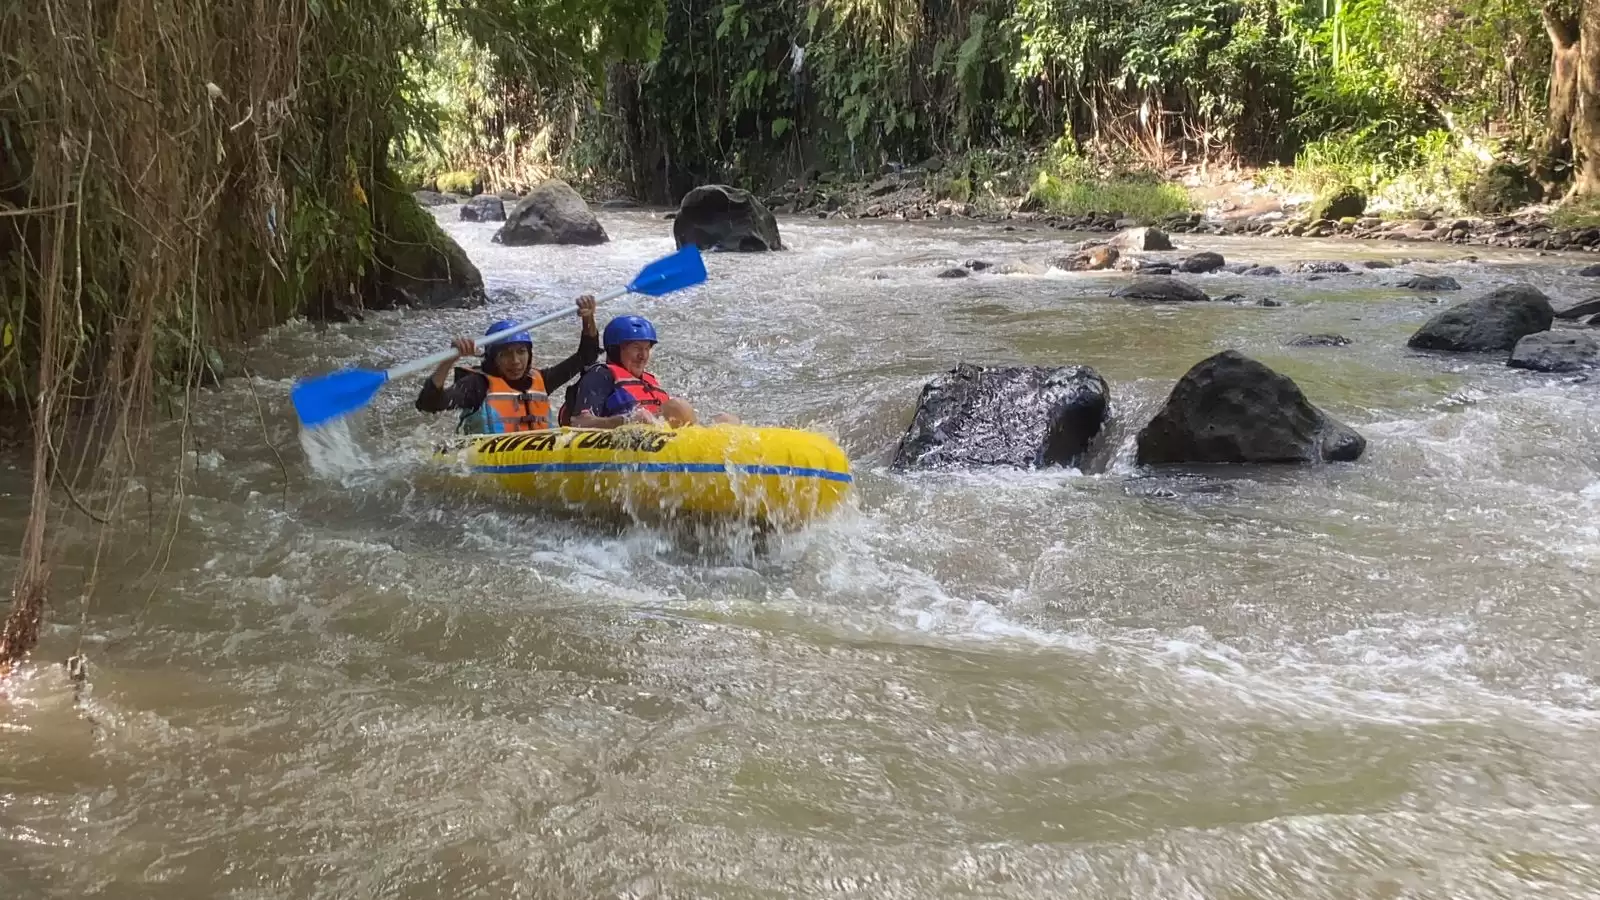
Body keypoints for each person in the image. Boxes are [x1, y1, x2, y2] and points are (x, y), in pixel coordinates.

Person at [416, 295, 599, 433]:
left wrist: (588, 319)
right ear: (493, 358)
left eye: (521, 352)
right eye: (506, 354)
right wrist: (449, 361)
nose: (516, 361)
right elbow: (429, 403)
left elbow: (587, 356)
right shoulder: (477, 385)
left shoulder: (542, 380)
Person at [560, 314, 738, 429]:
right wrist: (626, 421)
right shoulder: (600, 375)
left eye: (647, 349)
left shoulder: (649, 380)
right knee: (677, 407)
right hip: (621, 446)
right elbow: (580, 423)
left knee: (726, 420)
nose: (643, 356)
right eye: (636, 348)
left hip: (661, 440)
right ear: (615, 350)